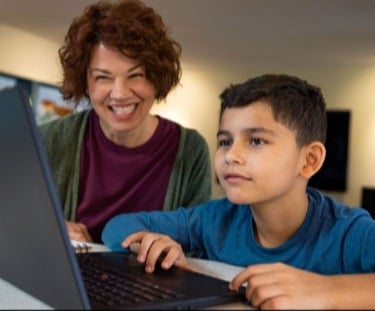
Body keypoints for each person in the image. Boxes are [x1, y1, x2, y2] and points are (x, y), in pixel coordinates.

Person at [102, 73, 375, 309]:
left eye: (256, 141)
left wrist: (324, 291)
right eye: (225, 141)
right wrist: (154, 247)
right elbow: (117, 227)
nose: (231, 155)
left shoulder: (351, 232)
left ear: (309, 160)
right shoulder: (215, 219)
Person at [38, 0, 211, 243]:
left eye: (136, 75)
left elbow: (199, 246)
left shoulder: (191, 151)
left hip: (154, 281)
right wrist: (48, 230)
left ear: (156, 77)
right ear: (85, 82)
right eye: (102, 77)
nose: (119, 93)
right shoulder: (47, 141)